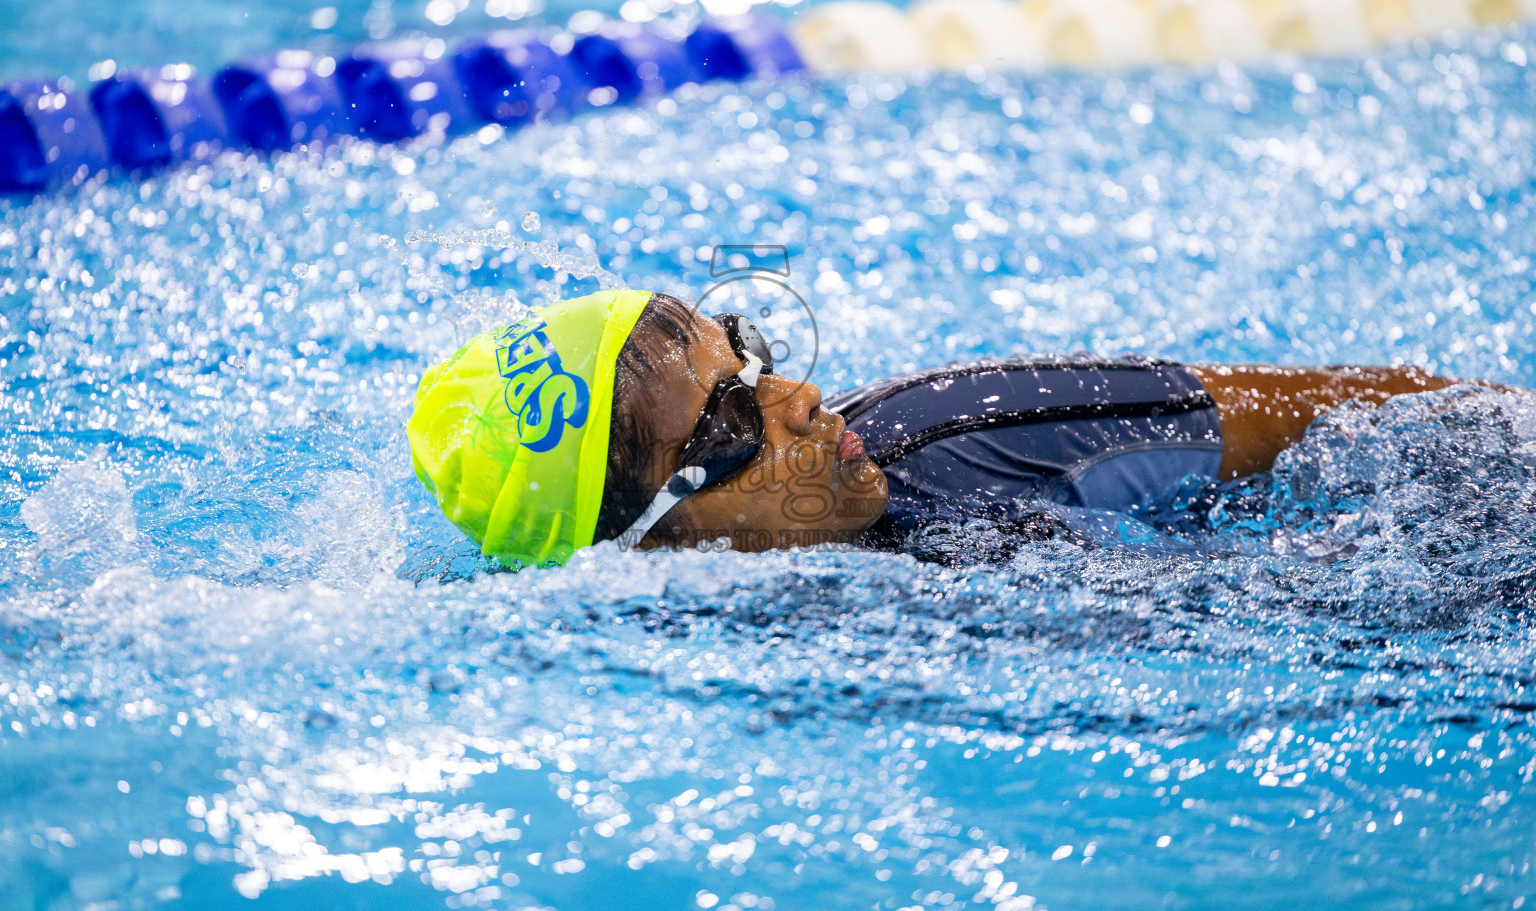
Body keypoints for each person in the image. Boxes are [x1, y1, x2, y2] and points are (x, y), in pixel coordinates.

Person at [407, 289, 1459, 568]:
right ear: (641, 537)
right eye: (733, 418)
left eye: (752, 357)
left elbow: (1351, 410)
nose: (801, 398)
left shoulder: (967, 429)